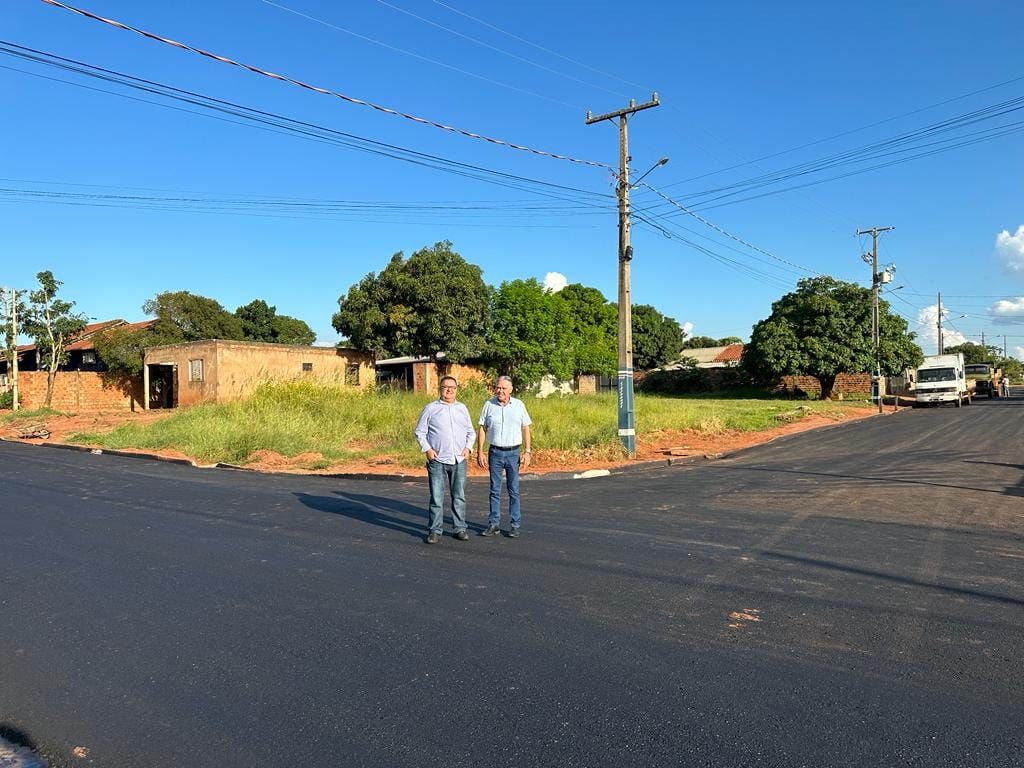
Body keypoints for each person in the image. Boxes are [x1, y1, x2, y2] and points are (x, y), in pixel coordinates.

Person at [414, 375, 475, 545]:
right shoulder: (431, 408)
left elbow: (471, 432)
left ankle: (460, 528)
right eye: (446, 387)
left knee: (459, 496)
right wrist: (427, 449)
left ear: (456, 389)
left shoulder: (462, 408)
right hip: (438, 460)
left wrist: (468, 448)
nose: (449, 390)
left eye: (452, 387)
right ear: (440, 389)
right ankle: (435, 530)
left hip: (459, 459)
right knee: (436, 497)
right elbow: (420, 432)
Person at [476, 375, 532, 538]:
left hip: (513, 453)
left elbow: (526, 428)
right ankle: (494, 524)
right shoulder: (489, 405)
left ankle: (515, 525)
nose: (500, 391)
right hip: (495, 453)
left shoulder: (519, 405)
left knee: (513, 490)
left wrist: (528, 451)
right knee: (494, 490)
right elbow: (482, 428)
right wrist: (480, 451)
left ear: (511, 390)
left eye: (504, 388)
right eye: (498, 388)